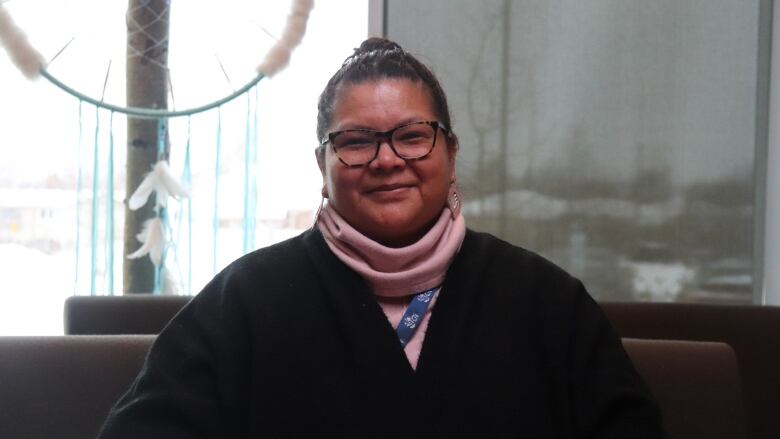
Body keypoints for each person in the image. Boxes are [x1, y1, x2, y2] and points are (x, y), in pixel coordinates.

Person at [98, 38, 667, 438]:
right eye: (356, 140)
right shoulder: (243, 302)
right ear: (322, 162)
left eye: (413, 136)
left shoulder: (549, 303)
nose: (387, 160)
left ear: (450, 152)